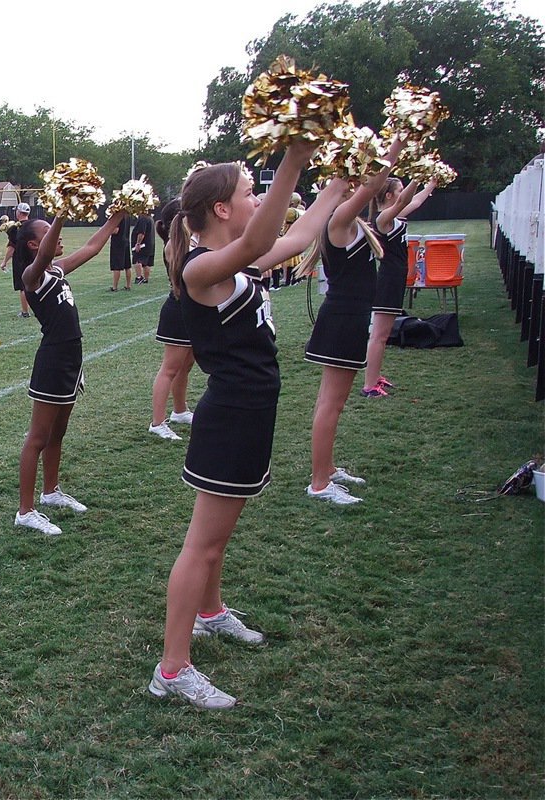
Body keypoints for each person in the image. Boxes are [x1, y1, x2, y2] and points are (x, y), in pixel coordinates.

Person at [147, 144, 346, 709]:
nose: (258, 198)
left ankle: (210, 614)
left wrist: (339, 183)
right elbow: (263, 239)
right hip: (231, 418)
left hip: (249, 415)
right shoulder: (200, 270)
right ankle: (171, 669)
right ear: (223, 210)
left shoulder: (237, 260)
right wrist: (296, 157)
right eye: (248, 192)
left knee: (216, 540)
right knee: (202, 545)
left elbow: (297, 237)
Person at [14, 207, 128, 536]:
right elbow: (48, 250)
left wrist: (115, 219)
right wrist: (62, 213)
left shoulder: (58, 270)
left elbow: (92, 247)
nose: (58, 235)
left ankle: (50, 492)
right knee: (37, 438)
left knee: (58, 434)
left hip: (72, 358)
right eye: (49, 231)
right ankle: (26, 511)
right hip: (52, 361)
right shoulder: (31, 277)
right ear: (35, 246)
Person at [303, 137, 405, 505]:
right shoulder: (339, 220)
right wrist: (396, 142)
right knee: (332, 403)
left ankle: (327, 469)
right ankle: (319, 483)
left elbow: (373, 186)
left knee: (332, 402)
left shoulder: (349, 221)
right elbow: (374, 185)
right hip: (343, 318)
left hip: (348, 316)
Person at [362, 178, 435, 397]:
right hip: (388, 280)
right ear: (389, 196)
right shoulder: (383, 218)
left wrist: (431, 183)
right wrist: (417, 177)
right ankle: (369, 386)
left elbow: (416, 200)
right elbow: (405, 200)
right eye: (399, 190)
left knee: (382, 335)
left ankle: (375, 378)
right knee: (379, 336)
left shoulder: (395, 216)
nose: (403, 193)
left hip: (395, 278)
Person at [147, 200, 195, 441]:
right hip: (178, 311)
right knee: (170, 368)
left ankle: (180, 410)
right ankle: (157, 422)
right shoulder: (173, 246)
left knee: (185, 366)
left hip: (192, 310)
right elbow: (183, 282)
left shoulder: (189, 241)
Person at [5, 202, 32, 317]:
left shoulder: (15, 228)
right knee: (37, 284)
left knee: (23, 286)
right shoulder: (34, 225)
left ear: (19, 212)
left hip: (20, 259)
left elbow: (12, 247)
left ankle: (25, 312)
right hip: (34, 258)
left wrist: (4, 262)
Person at [108, 215, 132, 291]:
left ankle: (115, 287)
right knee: (127, 265)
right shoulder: (127, 215)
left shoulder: (118, 216)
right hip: (126, 241)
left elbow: (116, 230)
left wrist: (105, 231)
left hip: (118, 243)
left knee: (116, 265)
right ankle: (128, 285)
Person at [131, 211, 155, 284]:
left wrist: (138, 243)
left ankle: (139, 277)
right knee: (146, 263)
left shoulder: (143, 219)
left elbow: (141, 232)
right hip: (150, 243)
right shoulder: (150, 218)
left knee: (137, 260)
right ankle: (146, 279)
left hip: (143, 244)